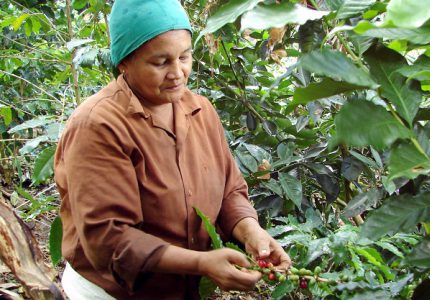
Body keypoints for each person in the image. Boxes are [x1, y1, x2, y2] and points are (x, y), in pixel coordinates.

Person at [54, 0, 291, 299]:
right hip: (111, 293)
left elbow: (229, 191)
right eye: (160, 62)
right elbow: (108, 239)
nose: (177, 73)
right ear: (124, 62)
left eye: (185, 57)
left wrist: (251, 233)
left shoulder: (200, 110)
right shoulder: (98, 126)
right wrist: (202, 263)